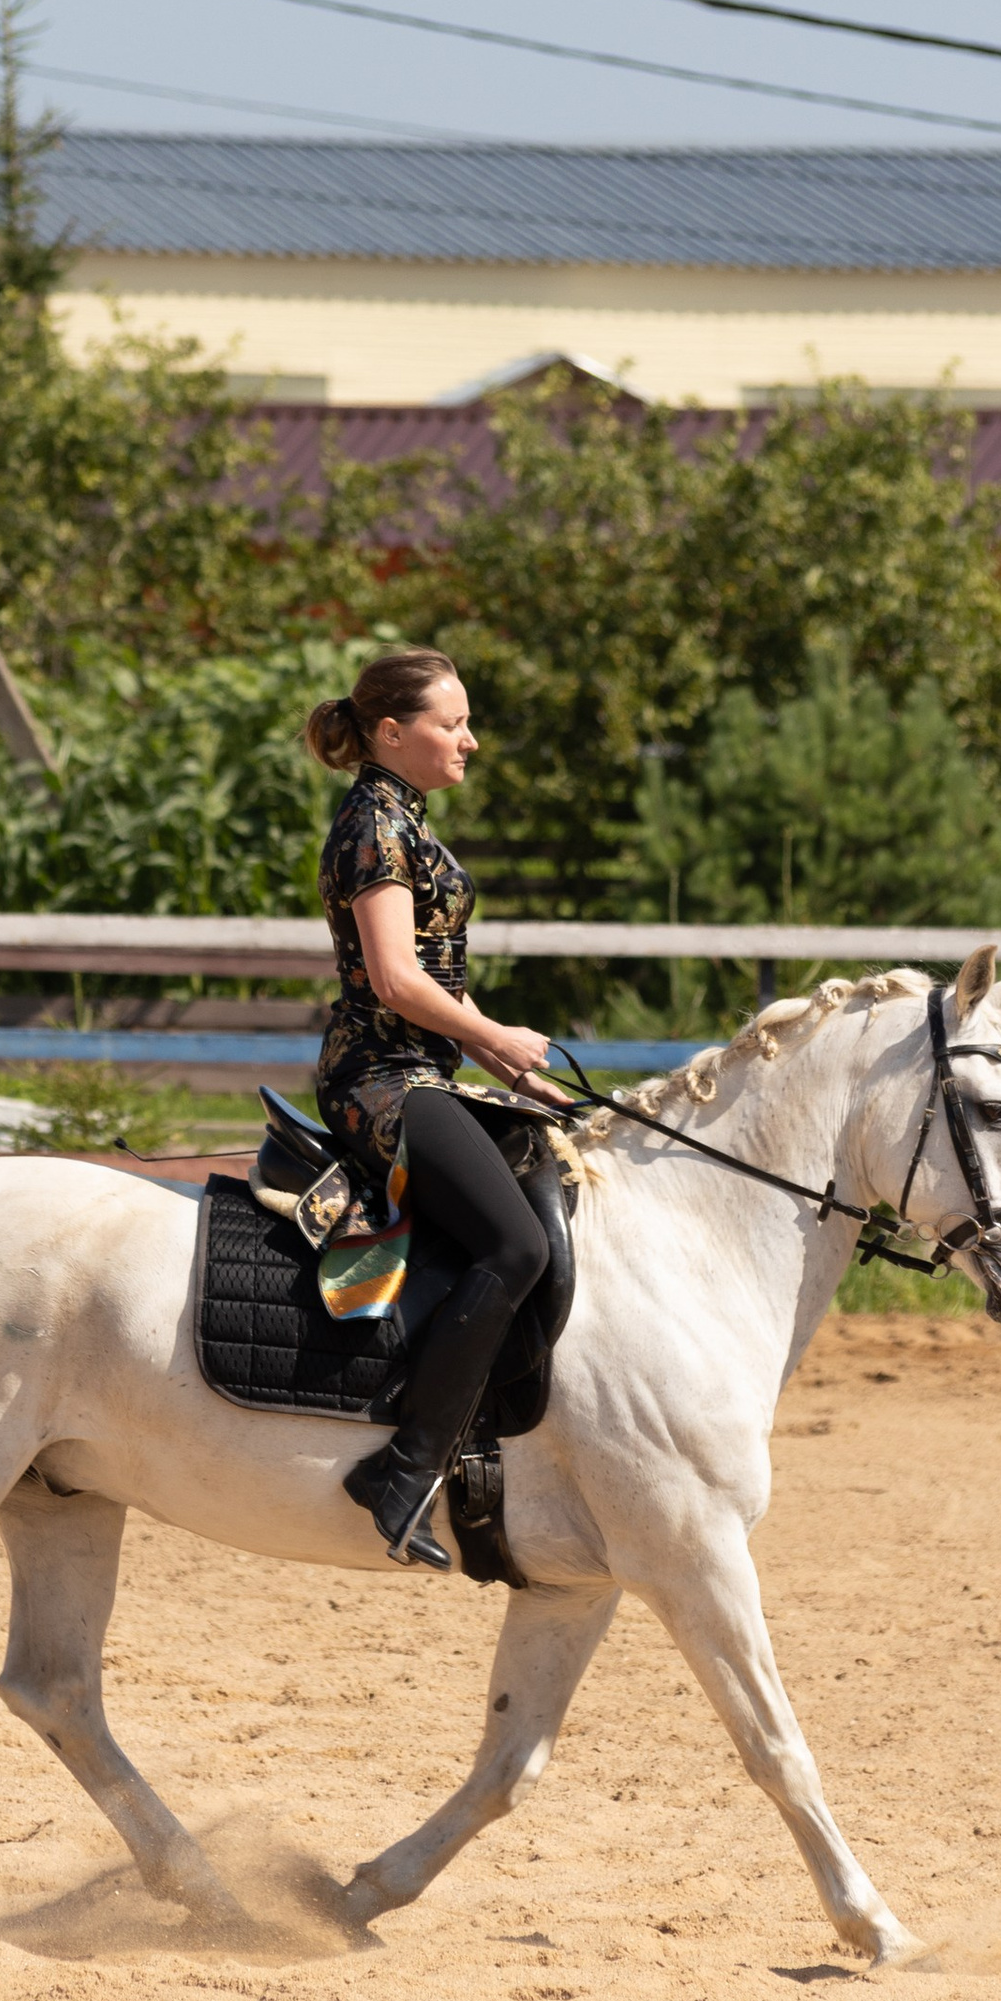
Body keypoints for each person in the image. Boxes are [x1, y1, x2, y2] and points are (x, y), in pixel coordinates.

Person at [306, 648, 560, 1570]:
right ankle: (405, 1467)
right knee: (516, 1246)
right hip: (380, 1078)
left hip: (424, 1071)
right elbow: (395, 978)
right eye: (452, 724)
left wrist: (503, 1067)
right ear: (390, 733)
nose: (470, 739)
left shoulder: (403, 820)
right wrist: (496, 1038)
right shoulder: (374, 825)